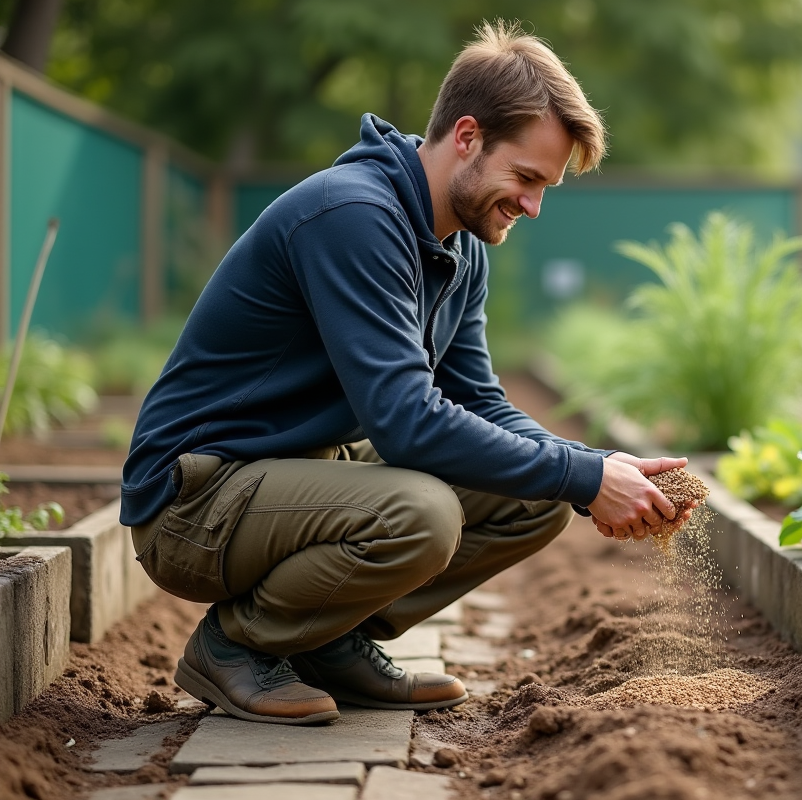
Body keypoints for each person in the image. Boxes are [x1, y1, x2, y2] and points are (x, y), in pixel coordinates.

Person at [121, 20, 694, 727]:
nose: (533, 205)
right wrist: (581, 476)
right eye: (526, 178)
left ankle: (326, 640)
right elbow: (406, 421)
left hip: (291, 477)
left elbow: (479, 402)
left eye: (546, 188)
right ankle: (234, 645)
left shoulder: (461, 245)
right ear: (467, 137)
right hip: (194, 501)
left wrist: (594, 468)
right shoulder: (353, 216)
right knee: (423, 516)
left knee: (534, 495)